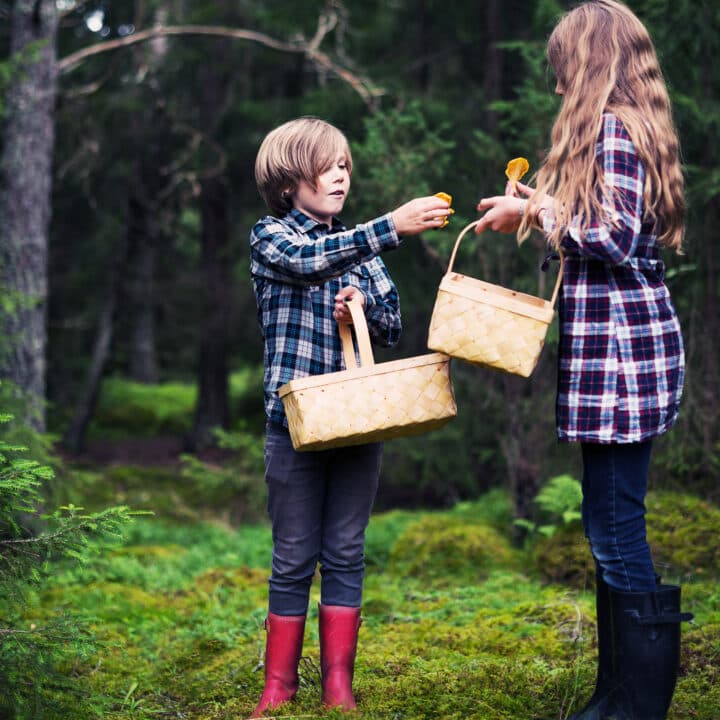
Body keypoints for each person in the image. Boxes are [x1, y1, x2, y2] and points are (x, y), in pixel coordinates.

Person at [474, 2, 692, 718]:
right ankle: (617, 695)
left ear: (592, 63)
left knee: (615, 524)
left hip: (623, 363)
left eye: (563, 67)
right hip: (617, 359)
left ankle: (635, 707)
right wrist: (533, 206)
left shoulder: (613, 131)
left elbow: (616, 237)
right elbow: (597, 227)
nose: (557, 84)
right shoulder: (618, 133)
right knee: (608, 521)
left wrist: (543, 212)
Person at [248, 116, 450, 718]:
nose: (339, 176)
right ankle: (279, 688)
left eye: (344, 168)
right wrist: (388, 227)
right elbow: (311, 260)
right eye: (326, 166)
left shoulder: (361, 250)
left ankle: (339, 684)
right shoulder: (272, 236)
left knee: (345, 551)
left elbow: (391, 326)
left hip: (359, 425)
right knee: (291, 559)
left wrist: (362, 303)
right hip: (295, 431)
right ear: (290, 182)